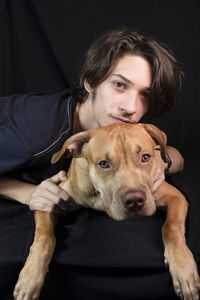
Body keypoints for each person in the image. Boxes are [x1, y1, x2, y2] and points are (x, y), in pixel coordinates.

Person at [0, 28, 184, 298]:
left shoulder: (113, 133)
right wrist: (28, 193)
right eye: (119, 85)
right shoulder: (36, 132)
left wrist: (159, 160)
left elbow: (173, 154)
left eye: (144, 94)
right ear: (90, 81)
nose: (131, 107)